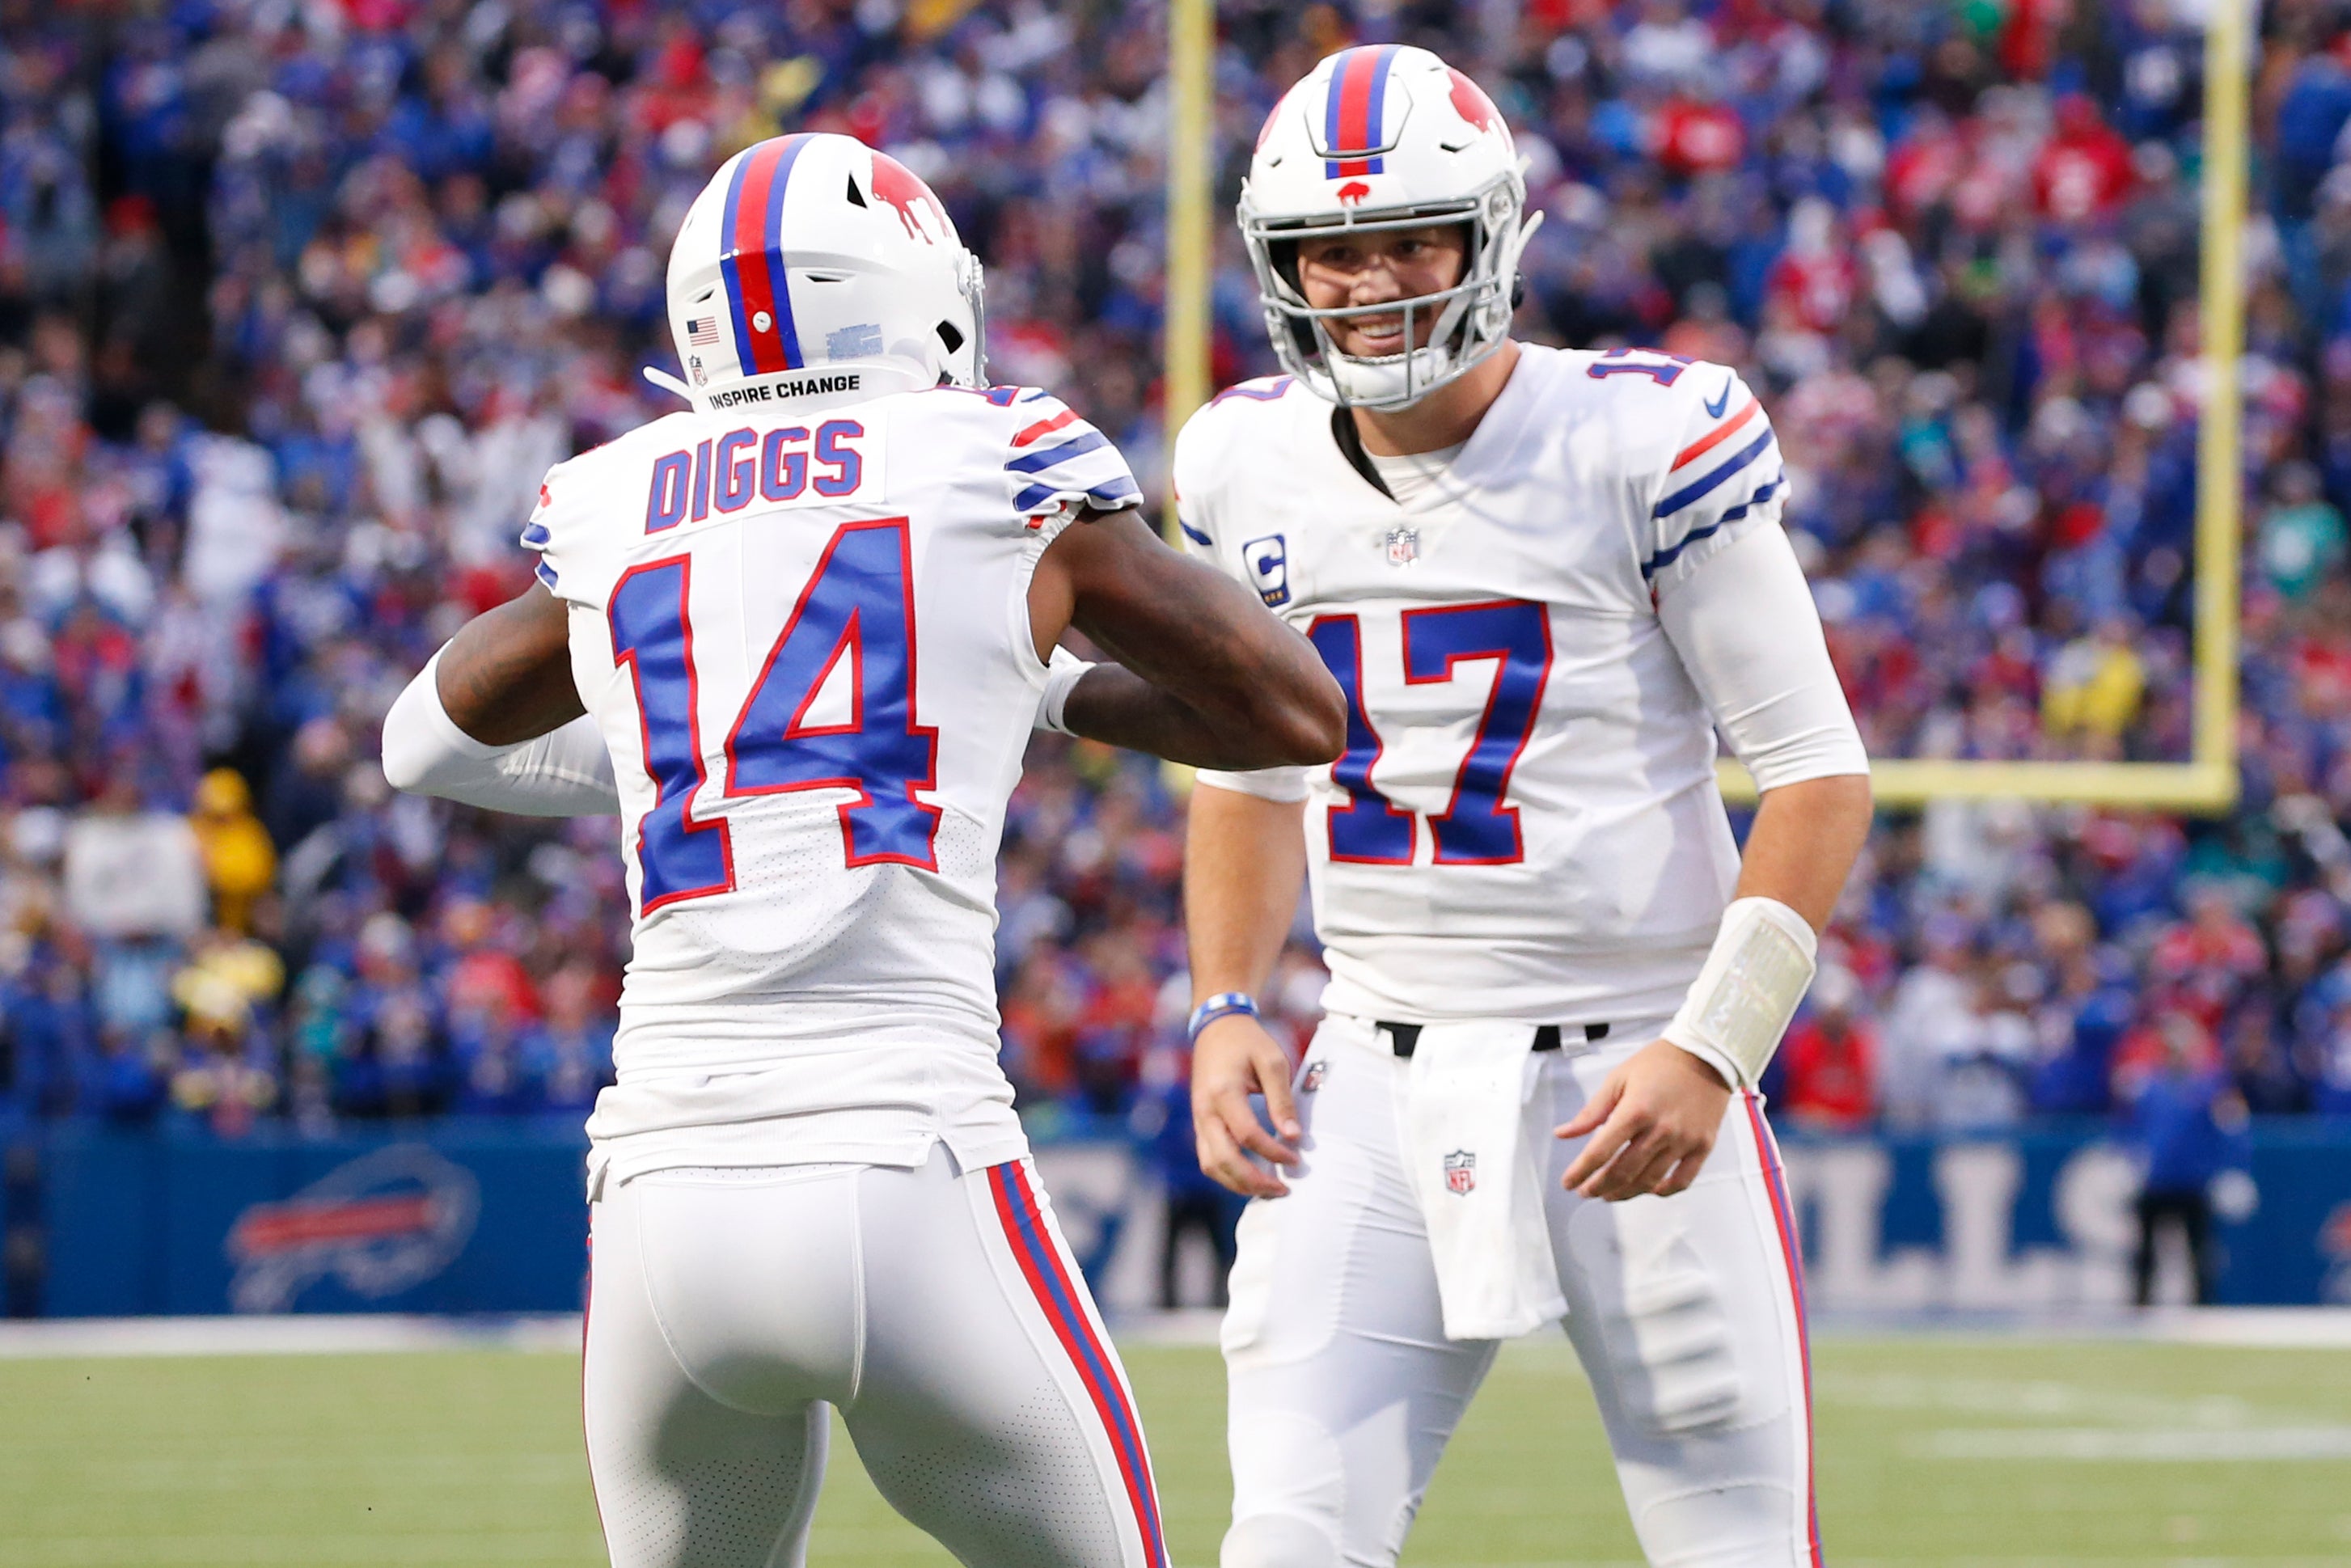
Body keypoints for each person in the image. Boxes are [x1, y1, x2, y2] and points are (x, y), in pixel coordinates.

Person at [383, 131, 1344, 1568]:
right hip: (909, 1167)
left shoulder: (613, 494)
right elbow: (1290, 713)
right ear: (916, 294)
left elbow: (425, 745)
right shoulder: (994, 454)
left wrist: (696, 774)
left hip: (660, 1194)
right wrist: (1043, 691)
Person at [1157, 47, 1872, 1568]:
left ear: (1492, 241)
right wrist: (1224, 999)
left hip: (1635, 1072)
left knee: (1735, 1548)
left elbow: (1816, 771)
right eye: (1332, 251)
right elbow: (1249, 774)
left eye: (1411, 239)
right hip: (1369, 1072)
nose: (1371, 282)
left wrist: (1711, 1048)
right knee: (1285, 1539)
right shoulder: (1239, 460)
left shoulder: (1643, 440)